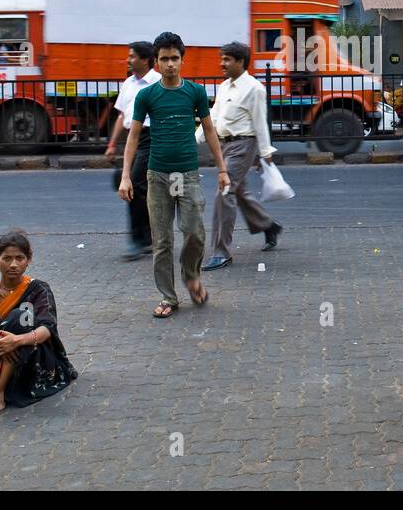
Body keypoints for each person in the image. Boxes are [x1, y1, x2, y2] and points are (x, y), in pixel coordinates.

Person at [118, 31, 230, 319]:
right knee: (162, 241)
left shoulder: (195, 92)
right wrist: (126, 176)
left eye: (175, 58)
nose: (170, 64)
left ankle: (191, 277)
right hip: (157, 176)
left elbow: (208, 130)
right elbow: (132, 137)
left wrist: (222, 169)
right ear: (156, 62)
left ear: (182, 60)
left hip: (188, 175)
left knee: (194, 232)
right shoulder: (147, 95)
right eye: (164, 59)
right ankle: (168, 297)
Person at [0, 230, 77, 423]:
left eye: (19, 258)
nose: (13, 264)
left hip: (30, 354)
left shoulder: (39, 289)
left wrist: (16, 340)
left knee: (21, 316)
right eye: (7, 258)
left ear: (28, 260)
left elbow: (47, 329)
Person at [202, 42, 283, 271]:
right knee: (239, 191)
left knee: (224, 191)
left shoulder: (254, 88)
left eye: (227, 59)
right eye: (222, 58)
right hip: (225, 146)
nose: (222, 63)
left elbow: (260, 121)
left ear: (240, 61)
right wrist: (194, 138)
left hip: (243, 145)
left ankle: (221, 252)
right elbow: (214, 117)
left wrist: (266, 152)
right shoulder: (225, 86)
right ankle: (268, 225)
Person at [105, 41, 162, 261]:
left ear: (145, 59)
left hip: (150, 137)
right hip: (132, 138)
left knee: (134, 184)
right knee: (134, 185)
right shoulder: (128, 83)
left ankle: (138, 239)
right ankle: (148, 236)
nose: (128, 60)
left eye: (132, 56)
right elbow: (122, 115)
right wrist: (112, 144)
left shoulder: (157, 82)